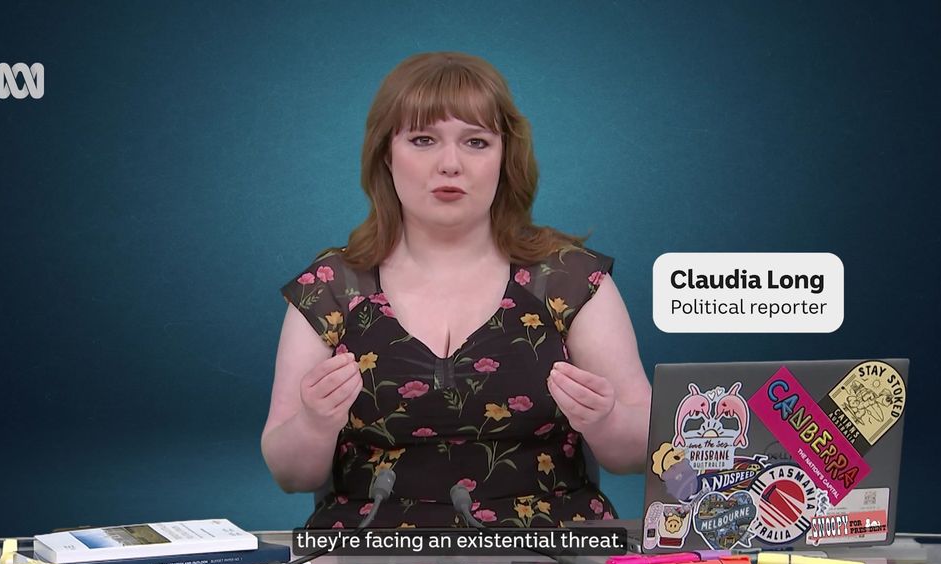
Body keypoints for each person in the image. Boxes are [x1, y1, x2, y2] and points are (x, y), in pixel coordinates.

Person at [262, 51, 651, 528]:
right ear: (386, 153)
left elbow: (641, 455)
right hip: (370, 547)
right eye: (423, 140)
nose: (450, 164)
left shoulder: (571, 279)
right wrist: (315, 423)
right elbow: (290, 474)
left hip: (555, 544)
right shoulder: (330, 287)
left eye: (475, 142)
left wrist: (605, 420)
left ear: (505, 155)